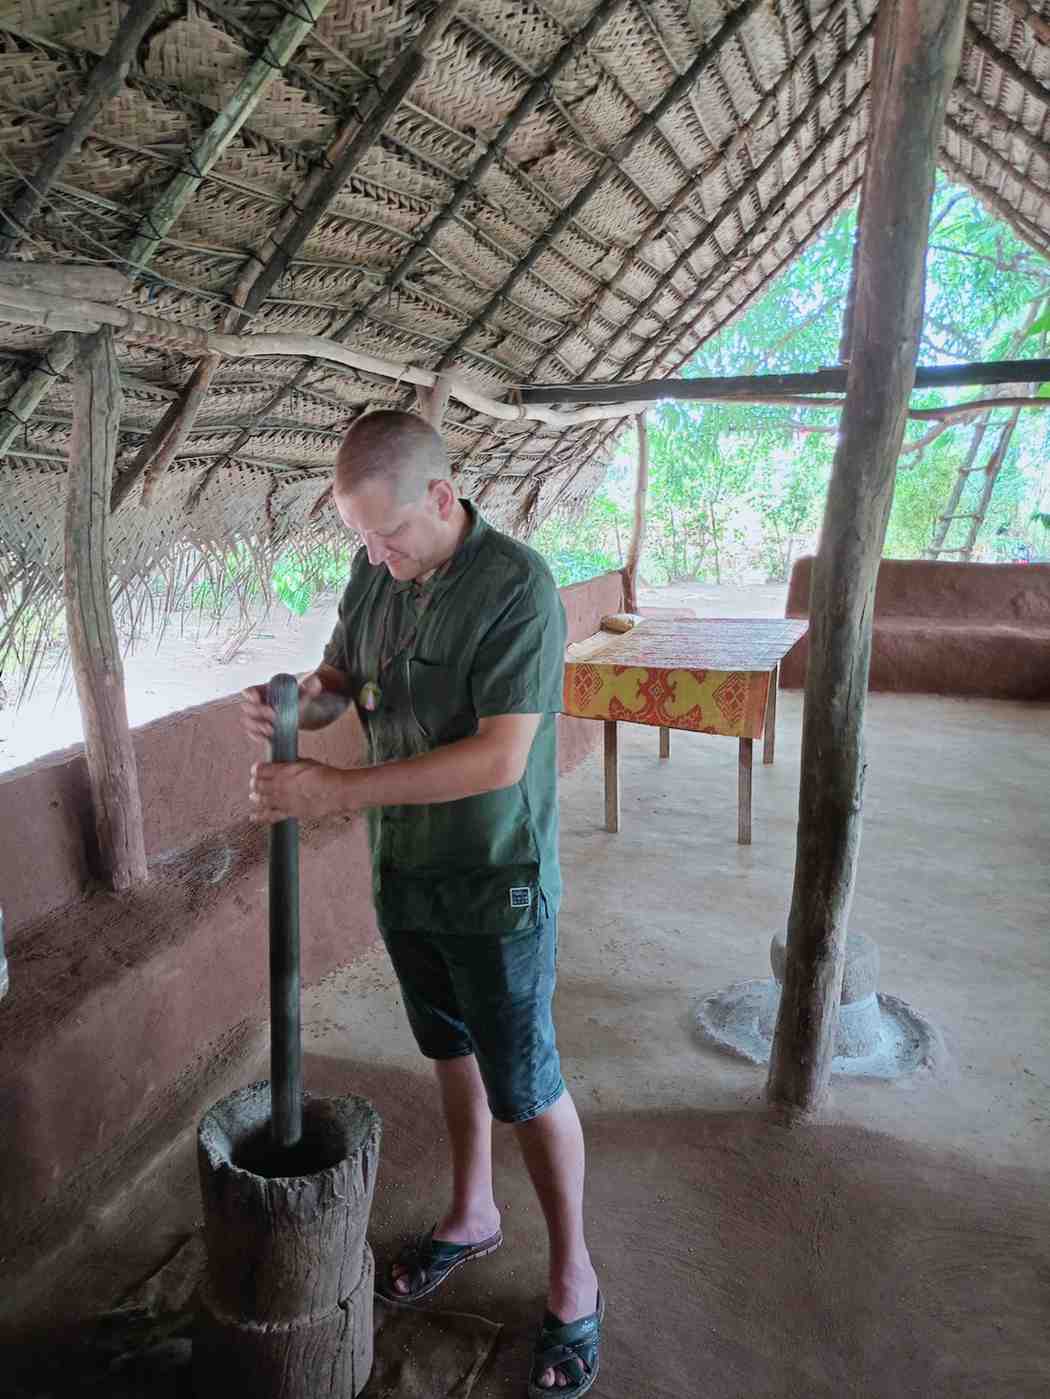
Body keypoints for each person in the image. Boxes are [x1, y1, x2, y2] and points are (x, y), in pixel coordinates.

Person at [241, 410, 603, 1396]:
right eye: (362, 538)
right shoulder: (377, 571)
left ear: (442, 497)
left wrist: (337, 790)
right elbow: (342, 678)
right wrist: (297, 702)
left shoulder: (517, 589)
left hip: (493, 878)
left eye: (389, 534)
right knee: (449, 1046)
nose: (376, 555)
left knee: (526, 1079)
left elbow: (499, 758)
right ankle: (472, 1211)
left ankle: (574, 1274)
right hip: (407, 870)